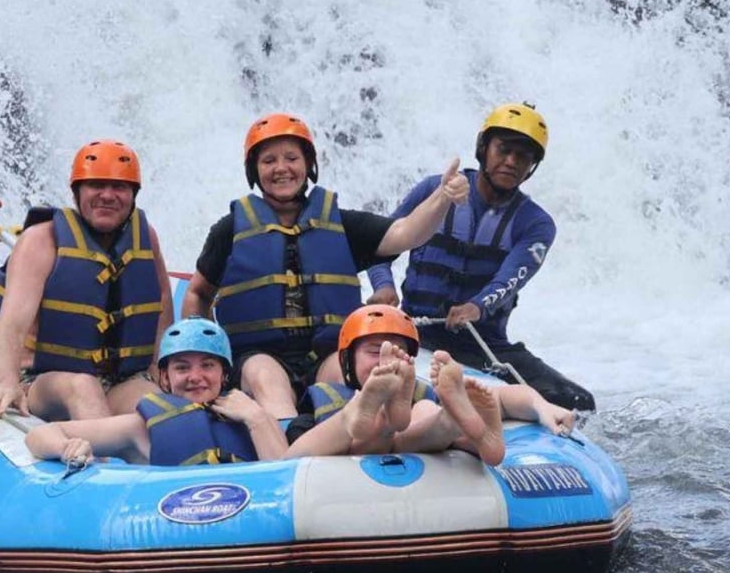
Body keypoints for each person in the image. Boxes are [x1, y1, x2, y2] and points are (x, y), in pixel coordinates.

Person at [181, 112, 469, 421]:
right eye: (268, 161)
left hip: (327, 352)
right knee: (266, 378)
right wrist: (201, 354)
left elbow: (405, 233)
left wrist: (442, 197)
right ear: (254, 170)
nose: (281, 168)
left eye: (291, 158)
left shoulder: (342, 224)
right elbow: (198, 293)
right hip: (257, 355)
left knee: (352, 375)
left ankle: (366, 431)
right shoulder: (230, 229)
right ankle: (289, 444)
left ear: (308, 165)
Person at [365, 102, 595, 411]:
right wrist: (383, 287)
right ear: (483, 148)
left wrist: (477, 306)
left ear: (532, 166)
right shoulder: (435, 190)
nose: (511, 162)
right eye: (503, 150)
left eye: (523, 156)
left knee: (579, 402)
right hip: (414, 333)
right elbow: (381, 247)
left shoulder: (536, 224)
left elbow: (510, 279)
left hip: (482, 344)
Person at [0, 139, 173, 421]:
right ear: (77, 192)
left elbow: (162, 301)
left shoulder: (146, 238)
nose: (107, 195)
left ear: (133, 195)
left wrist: (159, 364)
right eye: (96, 185)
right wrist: (7, 383)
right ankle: (102, 462)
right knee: (83, 386)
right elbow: (12, 324)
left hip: (121, 379)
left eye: (119, 187)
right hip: (45, 380)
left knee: (159, 407)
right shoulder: (40, 240)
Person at [288, 305, 577, 465]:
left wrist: (542, 406)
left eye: (396, 353)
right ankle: (366, 415)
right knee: (408, 415)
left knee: (425, 408)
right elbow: (287, 465)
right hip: (348, 448)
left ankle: (450, 422)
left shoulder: (420, 397)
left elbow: (502, 397)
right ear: (347, 361)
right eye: (375, 351)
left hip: (409, 435)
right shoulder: (317, 408)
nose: (383, 361)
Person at [25, 317, 288, 467]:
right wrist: (65, 446)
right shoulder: (140, 428)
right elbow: (38, 435)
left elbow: (287, 478)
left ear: (224, 374)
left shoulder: (255, 416)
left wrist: (257, 420)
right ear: (165, 378)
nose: (195, 377)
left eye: (207, 365)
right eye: (182, 368)